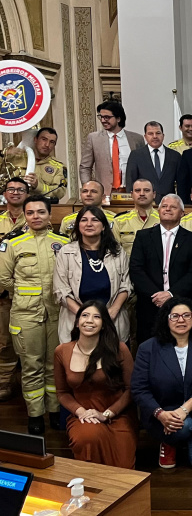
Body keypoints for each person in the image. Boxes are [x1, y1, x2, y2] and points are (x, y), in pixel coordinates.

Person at [0, 196, 69, 433]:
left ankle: (54, 411)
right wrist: (25, 293)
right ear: (25, 216)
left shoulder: (63, 242)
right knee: (31, 366)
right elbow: (4, 278)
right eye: (30, 213)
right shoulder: (13, 243)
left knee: (54, 366)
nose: (36, 217)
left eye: (41, 212)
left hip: (57, 313)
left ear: (50, 215)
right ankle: (35, 415)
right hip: (26, 315)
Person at [132, 297, 192, 469]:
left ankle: (183, 436)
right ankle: (169, 441)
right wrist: (160, 414)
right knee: (182, 426)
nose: (181, 320)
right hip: (163, 413)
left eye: (186, 315)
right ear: (166, 319)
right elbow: (139, 389)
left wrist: (184, 409)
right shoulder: (147, 349)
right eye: (175, 316)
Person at [53, 301, 138, 468]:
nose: (89, 320)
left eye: (96, 317)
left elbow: (131, 389)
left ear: (104, 324)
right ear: (77, 322)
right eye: (84, 316)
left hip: (117, 414)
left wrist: (106, 414)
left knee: (124, 467)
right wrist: (82, 412)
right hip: (84, 416)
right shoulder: (62, 351)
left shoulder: (120, 349)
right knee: (87, 438)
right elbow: (62, 392)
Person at [129, 194, 192, 345]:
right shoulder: (143, 236)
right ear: (159, 210)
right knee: (149, 349)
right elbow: (136, 269)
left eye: (173, 207)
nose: (168, 209)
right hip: (149, 304)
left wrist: (170, 294)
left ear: (182, 213)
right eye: (164, 206)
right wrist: (157, 296)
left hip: (181, 303)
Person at [53, 206, 131, 343]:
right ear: (78, 226)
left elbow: (126, 284)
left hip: (112, 319)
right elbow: (61, 290)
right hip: (76, 320)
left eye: (95, 220)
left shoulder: (117, 252)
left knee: (111, 362)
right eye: (84, 220)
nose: (89, 224)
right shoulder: (66, 252)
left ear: (103, 227)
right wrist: (85, 316)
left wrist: (113, 310)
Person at [0, 178, 30, 401]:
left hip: (26, 291)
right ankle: (4, 382)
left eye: (21, 189)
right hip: (2, 291)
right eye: (12, 189)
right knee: (4, 341)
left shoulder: (34, 219)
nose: (16, 193)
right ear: (4, 193)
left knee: (25, 340)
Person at [79, 101, 144, 195]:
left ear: (118, 118)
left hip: (131, 193)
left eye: (107, 117)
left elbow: (143, 168)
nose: (103, 120)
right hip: (103, 194)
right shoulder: (94, 138)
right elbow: (85, 167)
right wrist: (88, 189)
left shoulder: (137, 139)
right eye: (101, 117)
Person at [125, 121, 180, 203]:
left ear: (163, 135)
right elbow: (130, 182)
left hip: (169, 204)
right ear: (145, 136)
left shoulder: (175, 156)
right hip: (144, 203)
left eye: (158, 133)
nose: (155, 136)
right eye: (150, 133)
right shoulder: (136, 155)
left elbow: (181, 183)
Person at [112, 179, 159, 259]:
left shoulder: (163, 219)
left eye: (146, 190)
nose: (142, 194)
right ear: (132, 194)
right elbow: (114, 252)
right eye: (137, 190)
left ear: (154, 194)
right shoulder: (119, 221)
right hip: (128, 269)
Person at [25, 127, 67, 201]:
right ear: (35, 140)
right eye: (44, 139)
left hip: (44, 207)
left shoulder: (58, 167)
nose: (47, 145)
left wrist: (38, 186)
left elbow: (59, 192)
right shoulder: (18, 160)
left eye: (52, 142)